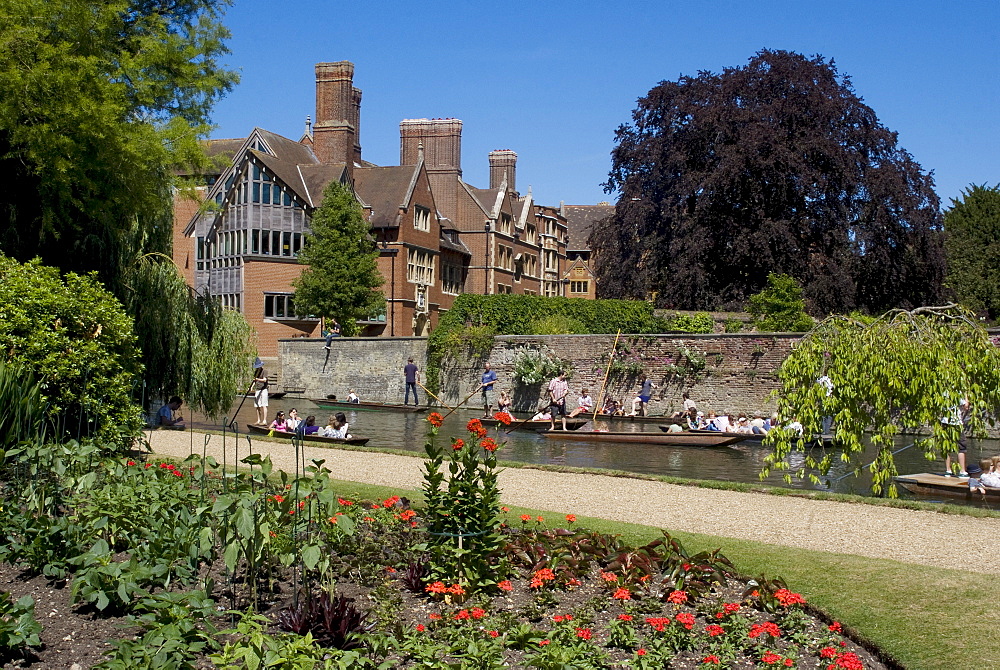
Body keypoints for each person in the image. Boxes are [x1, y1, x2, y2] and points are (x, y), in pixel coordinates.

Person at [941, 394, 970, 476]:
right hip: (956, 423)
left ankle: (948, 470)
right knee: (961, 447)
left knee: (947, 447)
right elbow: (966, 406)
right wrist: (966, 396)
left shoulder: (944, 391)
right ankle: (962, 471)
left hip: (944, 422)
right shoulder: (958, 391)